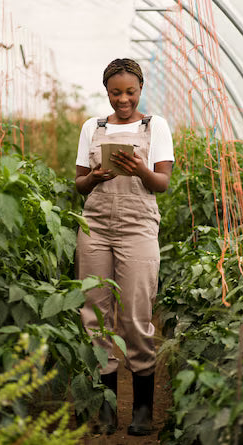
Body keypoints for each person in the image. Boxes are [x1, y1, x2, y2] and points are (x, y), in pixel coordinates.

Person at [74, 58, 174, 436]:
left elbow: (161, 183)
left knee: (135, 314)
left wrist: (139, 170)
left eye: (130, 92)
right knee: (94, 316)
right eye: (116, 92)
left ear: (140, 89)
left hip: (137, 228)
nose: (123, 99)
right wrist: (96, 176)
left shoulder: (155, 126)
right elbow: (79, 185)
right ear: (107, 92)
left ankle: (143, 410)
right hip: (96, 225)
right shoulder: (92, 128)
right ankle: (106, 407)